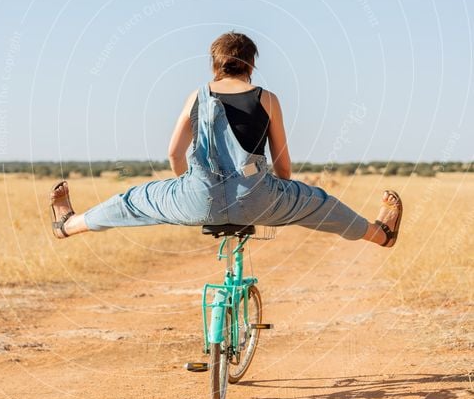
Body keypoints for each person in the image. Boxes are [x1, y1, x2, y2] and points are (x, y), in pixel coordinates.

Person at [50, 31, 402, 246]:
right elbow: (283, 166)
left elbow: (174, 154)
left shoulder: (196, 96)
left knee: (130, 201)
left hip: (194, 199)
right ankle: (381, 234)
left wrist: (190, 187)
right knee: (324, 205)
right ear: (251, 64)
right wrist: (286, 194)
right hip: (259, 198)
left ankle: (67, 226)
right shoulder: (267, 98)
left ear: (214, 65)